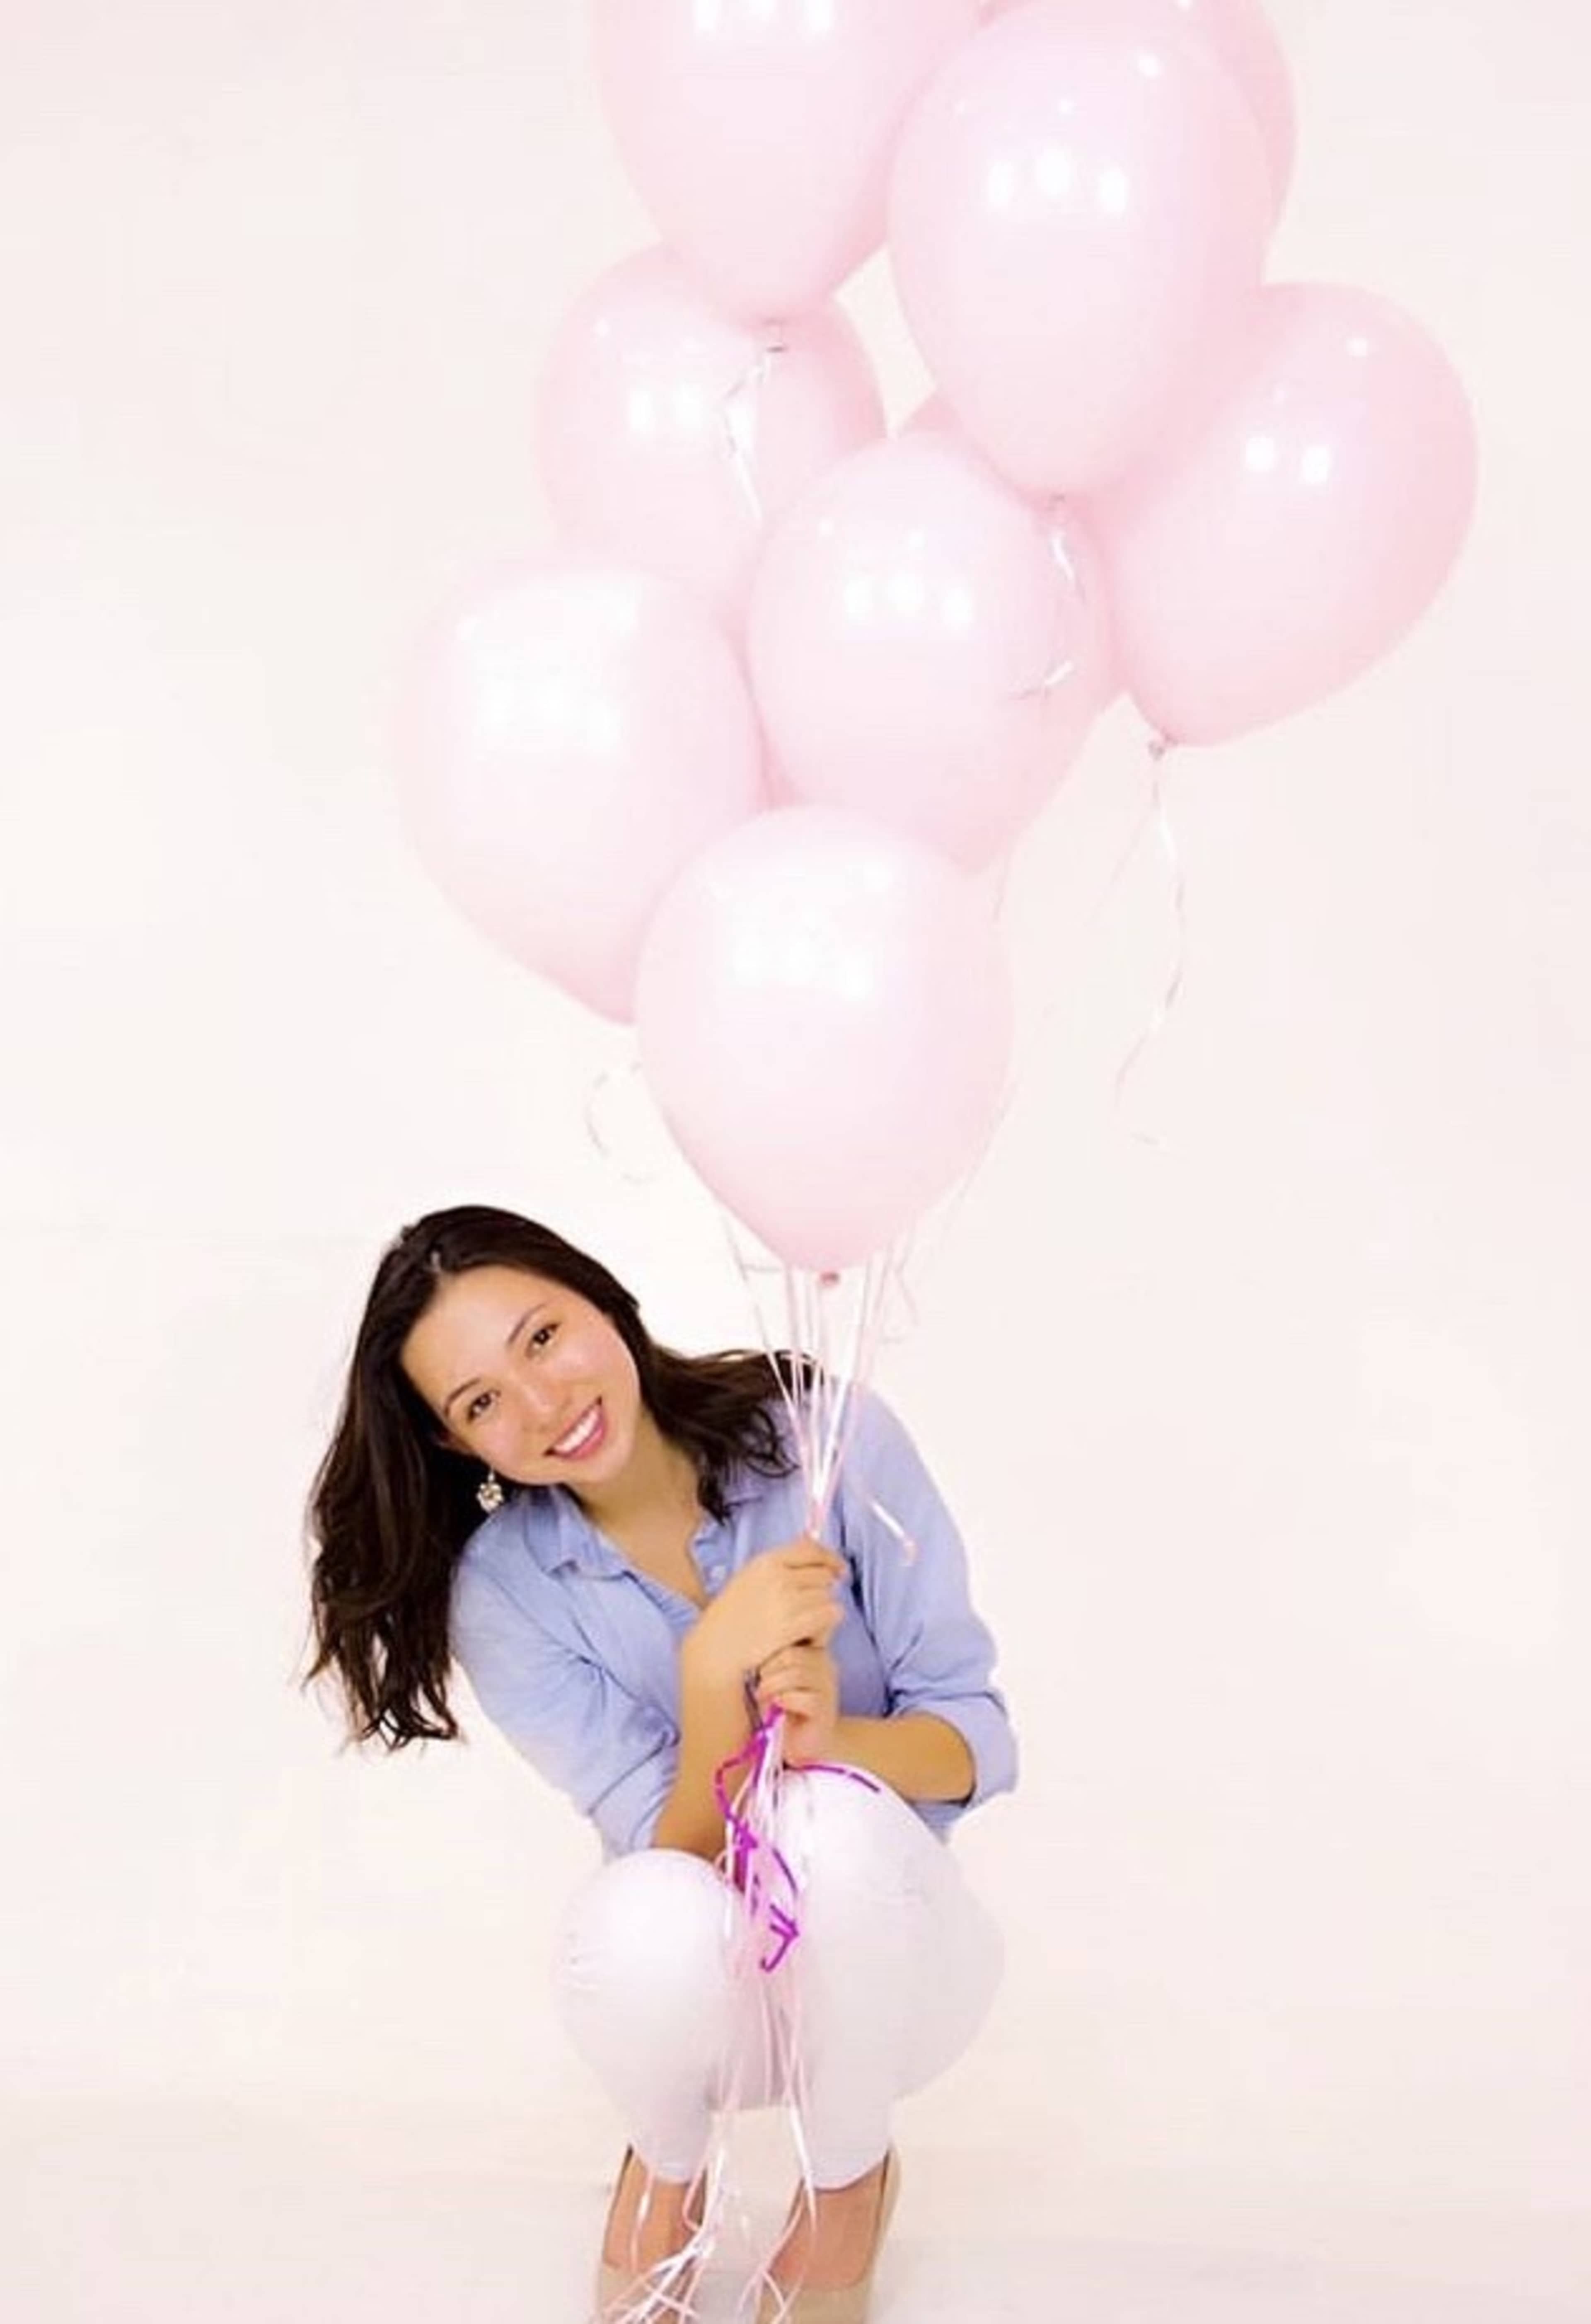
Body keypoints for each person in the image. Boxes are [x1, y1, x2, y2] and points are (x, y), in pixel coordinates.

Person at [302, 1204, 1016, 2324]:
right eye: (482, 1402)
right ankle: (666, 2164)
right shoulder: (505, 1594)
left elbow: (976, 1740)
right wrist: (710, 1676)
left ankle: (846, 2184)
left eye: (543, 1337)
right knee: (638, 1907)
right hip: (709, 2000)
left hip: (898, 1973)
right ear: (457, 1446)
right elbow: (670, 1851)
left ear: (603, 1298)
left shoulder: (824, 1440)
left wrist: (834, 1746)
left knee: (820, 1816)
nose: (543, 1405)